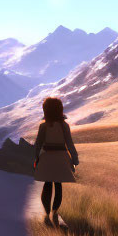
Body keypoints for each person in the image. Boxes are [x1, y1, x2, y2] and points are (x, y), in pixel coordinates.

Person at [33, 96, 79, 226]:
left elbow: (38, 145)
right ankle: (54, 212)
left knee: (47, 185)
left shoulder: (43, 127)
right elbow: (70, 144)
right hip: (61, 158)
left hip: (47, 158)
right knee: (58, 186)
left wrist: (36, 159)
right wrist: (74, 160)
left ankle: (47, 214)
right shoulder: (64, 126)